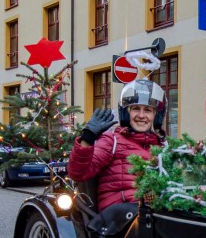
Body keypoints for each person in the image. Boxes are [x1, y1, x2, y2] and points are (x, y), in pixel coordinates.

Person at [68, 78, 167, 212]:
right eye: (136, 109)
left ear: (156, 116)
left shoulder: (164, 147)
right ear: (126, 113)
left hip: (154, 211)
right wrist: (88, 137)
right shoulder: (112, 141)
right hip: (119, 212)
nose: (142, 115)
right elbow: (78, 173)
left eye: (148, 110)